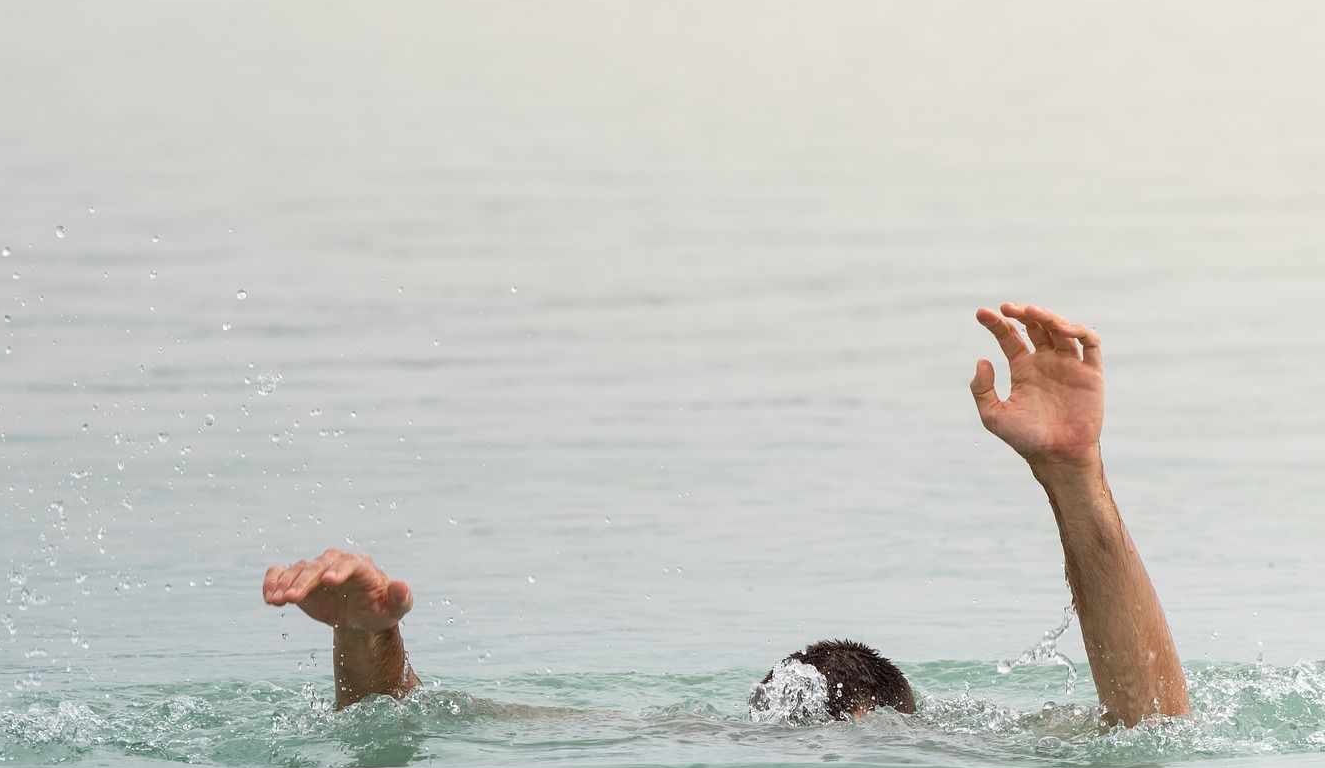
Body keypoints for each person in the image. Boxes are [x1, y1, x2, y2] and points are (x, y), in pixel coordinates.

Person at [261, 305, 1189, 727]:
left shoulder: (670, 734)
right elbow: (1153, 726)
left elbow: (407, 721)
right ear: (897, 723)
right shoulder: (953, 751)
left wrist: (369, 644)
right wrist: (1077, 483)